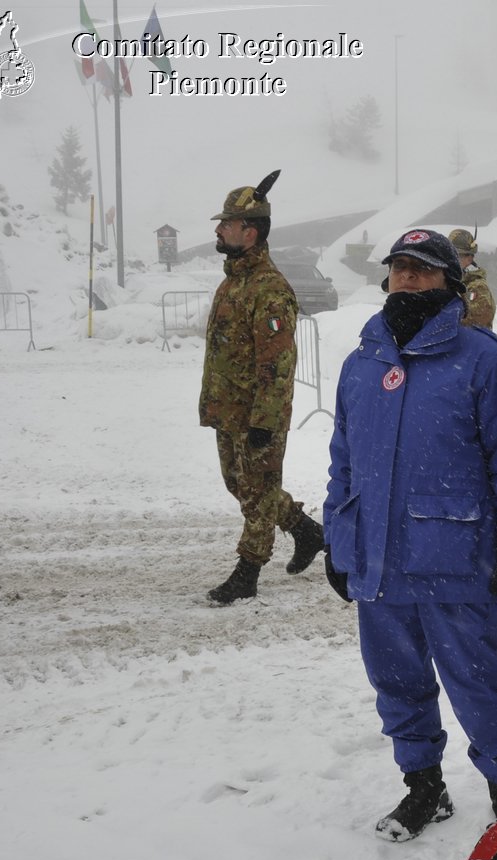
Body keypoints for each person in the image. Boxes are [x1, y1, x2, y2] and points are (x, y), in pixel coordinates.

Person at [323, 228, 497, 841]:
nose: (408, 279)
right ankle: (423, 786)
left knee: (478, 679)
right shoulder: (362, 363)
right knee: (395, 679)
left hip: (456, 557)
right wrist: (339, 542)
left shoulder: (484, 359)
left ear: (449, 279)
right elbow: (343, 460)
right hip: (377, 559)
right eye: (399, 269)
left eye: (422, 269)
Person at [200, 171, 325, 604]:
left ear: (248, 233)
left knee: (257, 492)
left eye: (227, 223)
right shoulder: (233, 282)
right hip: (228, 410)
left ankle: (248, 571)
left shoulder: (269, 289)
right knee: (241, 484)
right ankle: (306, 531)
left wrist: (265, 421)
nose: (218, 229)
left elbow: (277, 364)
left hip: (257, 415)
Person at [448, 228, 496, 329]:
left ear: (469, 258)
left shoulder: (478, 287)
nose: (450, 259)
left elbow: (478, 321)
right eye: (449, 255)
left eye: (455, 255)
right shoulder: (453, 280)